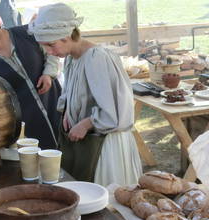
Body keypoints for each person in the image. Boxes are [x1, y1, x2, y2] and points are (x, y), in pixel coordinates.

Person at [28, 3, 142, 186]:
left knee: (106, 196)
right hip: (87, 144)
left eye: (51, 45)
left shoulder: (98, 58)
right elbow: (73, 93)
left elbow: (115, 111)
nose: (49, 52)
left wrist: (86, 123)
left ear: (66, 36)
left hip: (105, 145)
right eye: (45, 47)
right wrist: (66, 111)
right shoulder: (72, 59)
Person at [0, 4, 62, 150]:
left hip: (57, 108)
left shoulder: (26, 33)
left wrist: (48, 73)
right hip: (30, 131)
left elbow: (53, 51)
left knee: (73, 162)